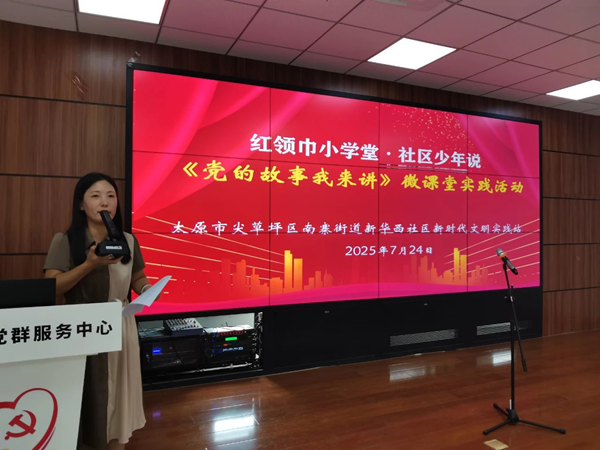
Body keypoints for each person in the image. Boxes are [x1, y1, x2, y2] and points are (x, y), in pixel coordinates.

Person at [44, 172, 151, 450]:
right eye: (95, 196)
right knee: (88, 398)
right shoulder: (66, 240)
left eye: (110, 196)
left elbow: (137, 277)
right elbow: (52, 287)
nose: (105, 202)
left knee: (118, 398)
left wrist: (147, 288)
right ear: (81, 204)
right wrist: (89, 264)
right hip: (82, 328)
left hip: (121, 326)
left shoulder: (128, 240)